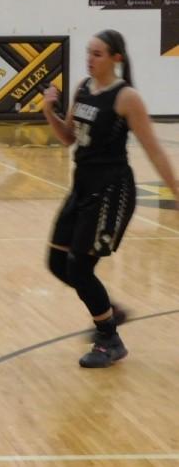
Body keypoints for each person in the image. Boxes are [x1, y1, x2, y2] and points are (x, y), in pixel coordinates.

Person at [42, 29, 179, 368]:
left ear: (116, 58)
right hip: (81, 186)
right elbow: (68, 138)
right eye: (88, 52)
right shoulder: (83, 89)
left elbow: (154, 150)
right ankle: (111, 312)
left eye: (98, 53)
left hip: (111, 191)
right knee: (57, 262)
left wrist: (177, 191)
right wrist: (49, 111)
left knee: (79, 265)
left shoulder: (126, 98)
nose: (89, 58)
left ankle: (109, 338)